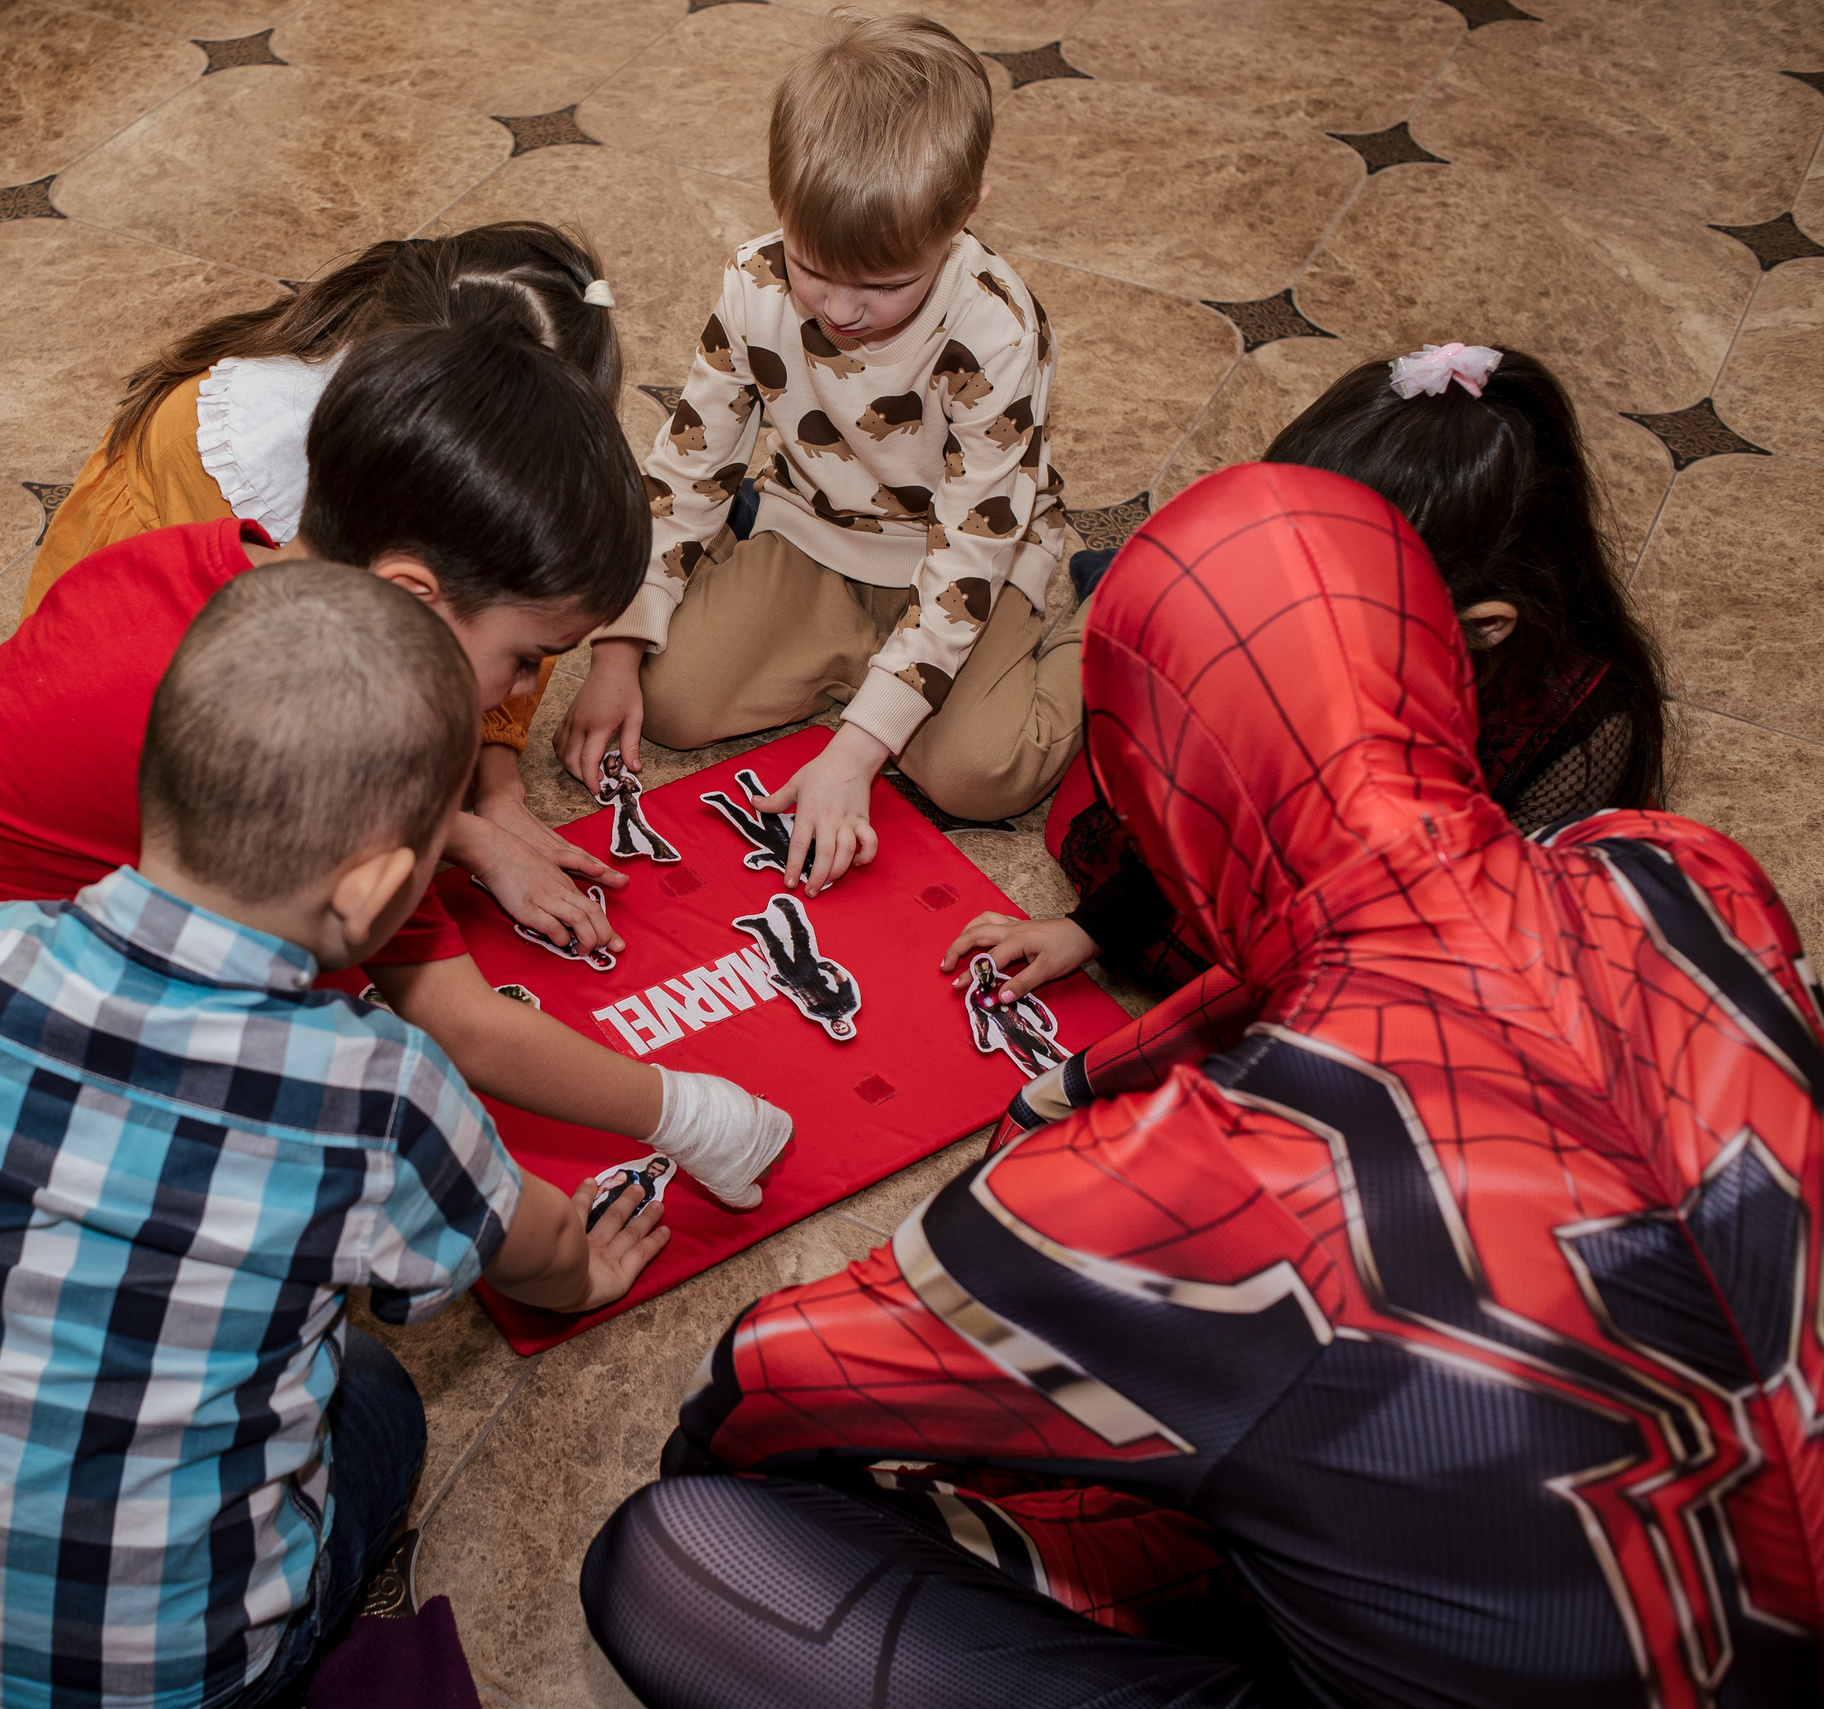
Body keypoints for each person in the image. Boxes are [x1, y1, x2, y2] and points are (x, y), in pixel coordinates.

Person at [577, 462, 1824, 1709]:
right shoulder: (1679, 867)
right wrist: (1085, 1075)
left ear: (1166, 804)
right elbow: (1374, 927)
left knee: (681, 1555)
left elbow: (768, 1382)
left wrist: (1047, 1185)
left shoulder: (1194, 1182)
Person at [0, 324, 788, 1308]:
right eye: (525, 660)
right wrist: (690, 1113)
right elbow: (458, 1034)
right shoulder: (323, 749)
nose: (523, 699)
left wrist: (469, 827)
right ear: (411, 600)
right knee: (198, 1250)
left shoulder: (202, 566)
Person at [0, 564, 672, 1709]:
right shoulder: (377, 1085)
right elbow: (529, 1246)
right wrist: (583, 1271)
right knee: (374, 1392)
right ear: (378, 883)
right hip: (185, 1673)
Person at [951, 342, 1670, 1003]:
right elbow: (1213, 805)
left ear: (1480, 627)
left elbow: (1471, 968)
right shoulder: (1300, 634)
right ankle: (1111, 581)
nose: (1283, 607)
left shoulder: (1585, 732)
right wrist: (1090, 928)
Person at [557, 11, 1079, 899]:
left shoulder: (997, 326)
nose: (840, 309)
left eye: (885, 285)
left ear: (964, 213)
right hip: (817, 533)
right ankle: (859, 672)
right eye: (811, 266)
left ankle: (1084, 617)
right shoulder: (751, 286)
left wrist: (859, 750)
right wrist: (614, 650)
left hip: (964, 562)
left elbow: (965, 555)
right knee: (673, 701)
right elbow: (688, 468)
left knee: (982, 776)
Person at [29, 222, 632, 957]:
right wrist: (462, 835)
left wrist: (497, 787)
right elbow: (254, 751)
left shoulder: (444, 511)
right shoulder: (227, 456)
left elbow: (510, 617)